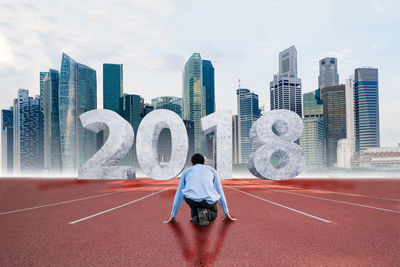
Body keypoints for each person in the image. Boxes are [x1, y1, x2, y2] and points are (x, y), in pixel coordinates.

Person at [163, 153, 237, 225]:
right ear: (203, 163)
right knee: (214, 212)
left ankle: (197, 216)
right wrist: (226, 212)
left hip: (193, 201)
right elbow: (219, 191)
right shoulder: (212, 170)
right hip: (208, 202)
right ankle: (207, 214)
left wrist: (173, 214)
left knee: (194, 211)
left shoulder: (186, 172)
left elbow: (179, 194)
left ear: (192, 163)